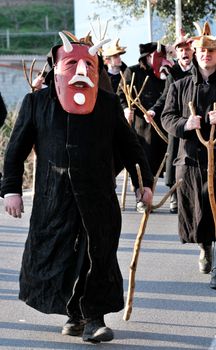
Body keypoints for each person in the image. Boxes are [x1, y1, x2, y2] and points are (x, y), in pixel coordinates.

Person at [1, 31, 154, 343]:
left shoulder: (108, 105)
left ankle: (93, 319)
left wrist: (144, 183)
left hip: (97, 198)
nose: (81, 71)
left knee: (96, 255)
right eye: (71, 64)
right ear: (57, 68)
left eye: (88, 64)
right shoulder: (36, 103)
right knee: (62, 259)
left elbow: (131, 148)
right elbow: (15, 150)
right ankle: (74, 314)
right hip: (53, 199)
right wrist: (12, 189)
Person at [161, 21, 216, 289]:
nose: (207, 55)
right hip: (192, 160)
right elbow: (167, 117)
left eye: (212, 52)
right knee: (200, 213)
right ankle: (206, 247)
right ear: (195, 52)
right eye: (202, 51)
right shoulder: (179, 86)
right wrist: (186, 124)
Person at [118, 42, 172, 212]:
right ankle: (140, 198)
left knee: (159, 164)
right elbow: (121, 94)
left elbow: (168, 95)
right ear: (147, 57)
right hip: (141, 128)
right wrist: (126, 109)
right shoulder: (132, 71)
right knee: (142, 163)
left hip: (160, 125)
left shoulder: (164, 72)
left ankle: (154, 195)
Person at [147, 30, 194, 213]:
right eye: (181, 49)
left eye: (188, 49)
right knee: (175, 156)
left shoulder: (200, 70)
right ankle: (175, 196)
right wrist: (152, 110)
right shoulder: (173, 73)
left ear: (193, 52)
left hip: (197, 122)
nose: (185, 52)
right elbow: (165, 97)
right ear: (177, 53)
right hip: (178, 121)